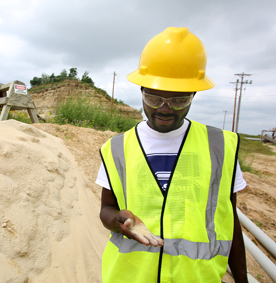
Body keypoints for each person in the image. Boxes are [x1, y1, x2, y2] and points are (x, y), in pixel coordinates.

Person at [97, 27, 248, 282]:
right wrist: (119, 220)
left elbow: (229, 218)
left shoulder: (220, 146)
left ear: (194, 95)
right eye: (154, 98)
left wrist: (242, 279)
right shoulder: (116, 148)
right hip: (129, 276)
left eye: (179, 101)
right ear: (141, 90)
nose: (165, 110)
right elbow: (107, 209)